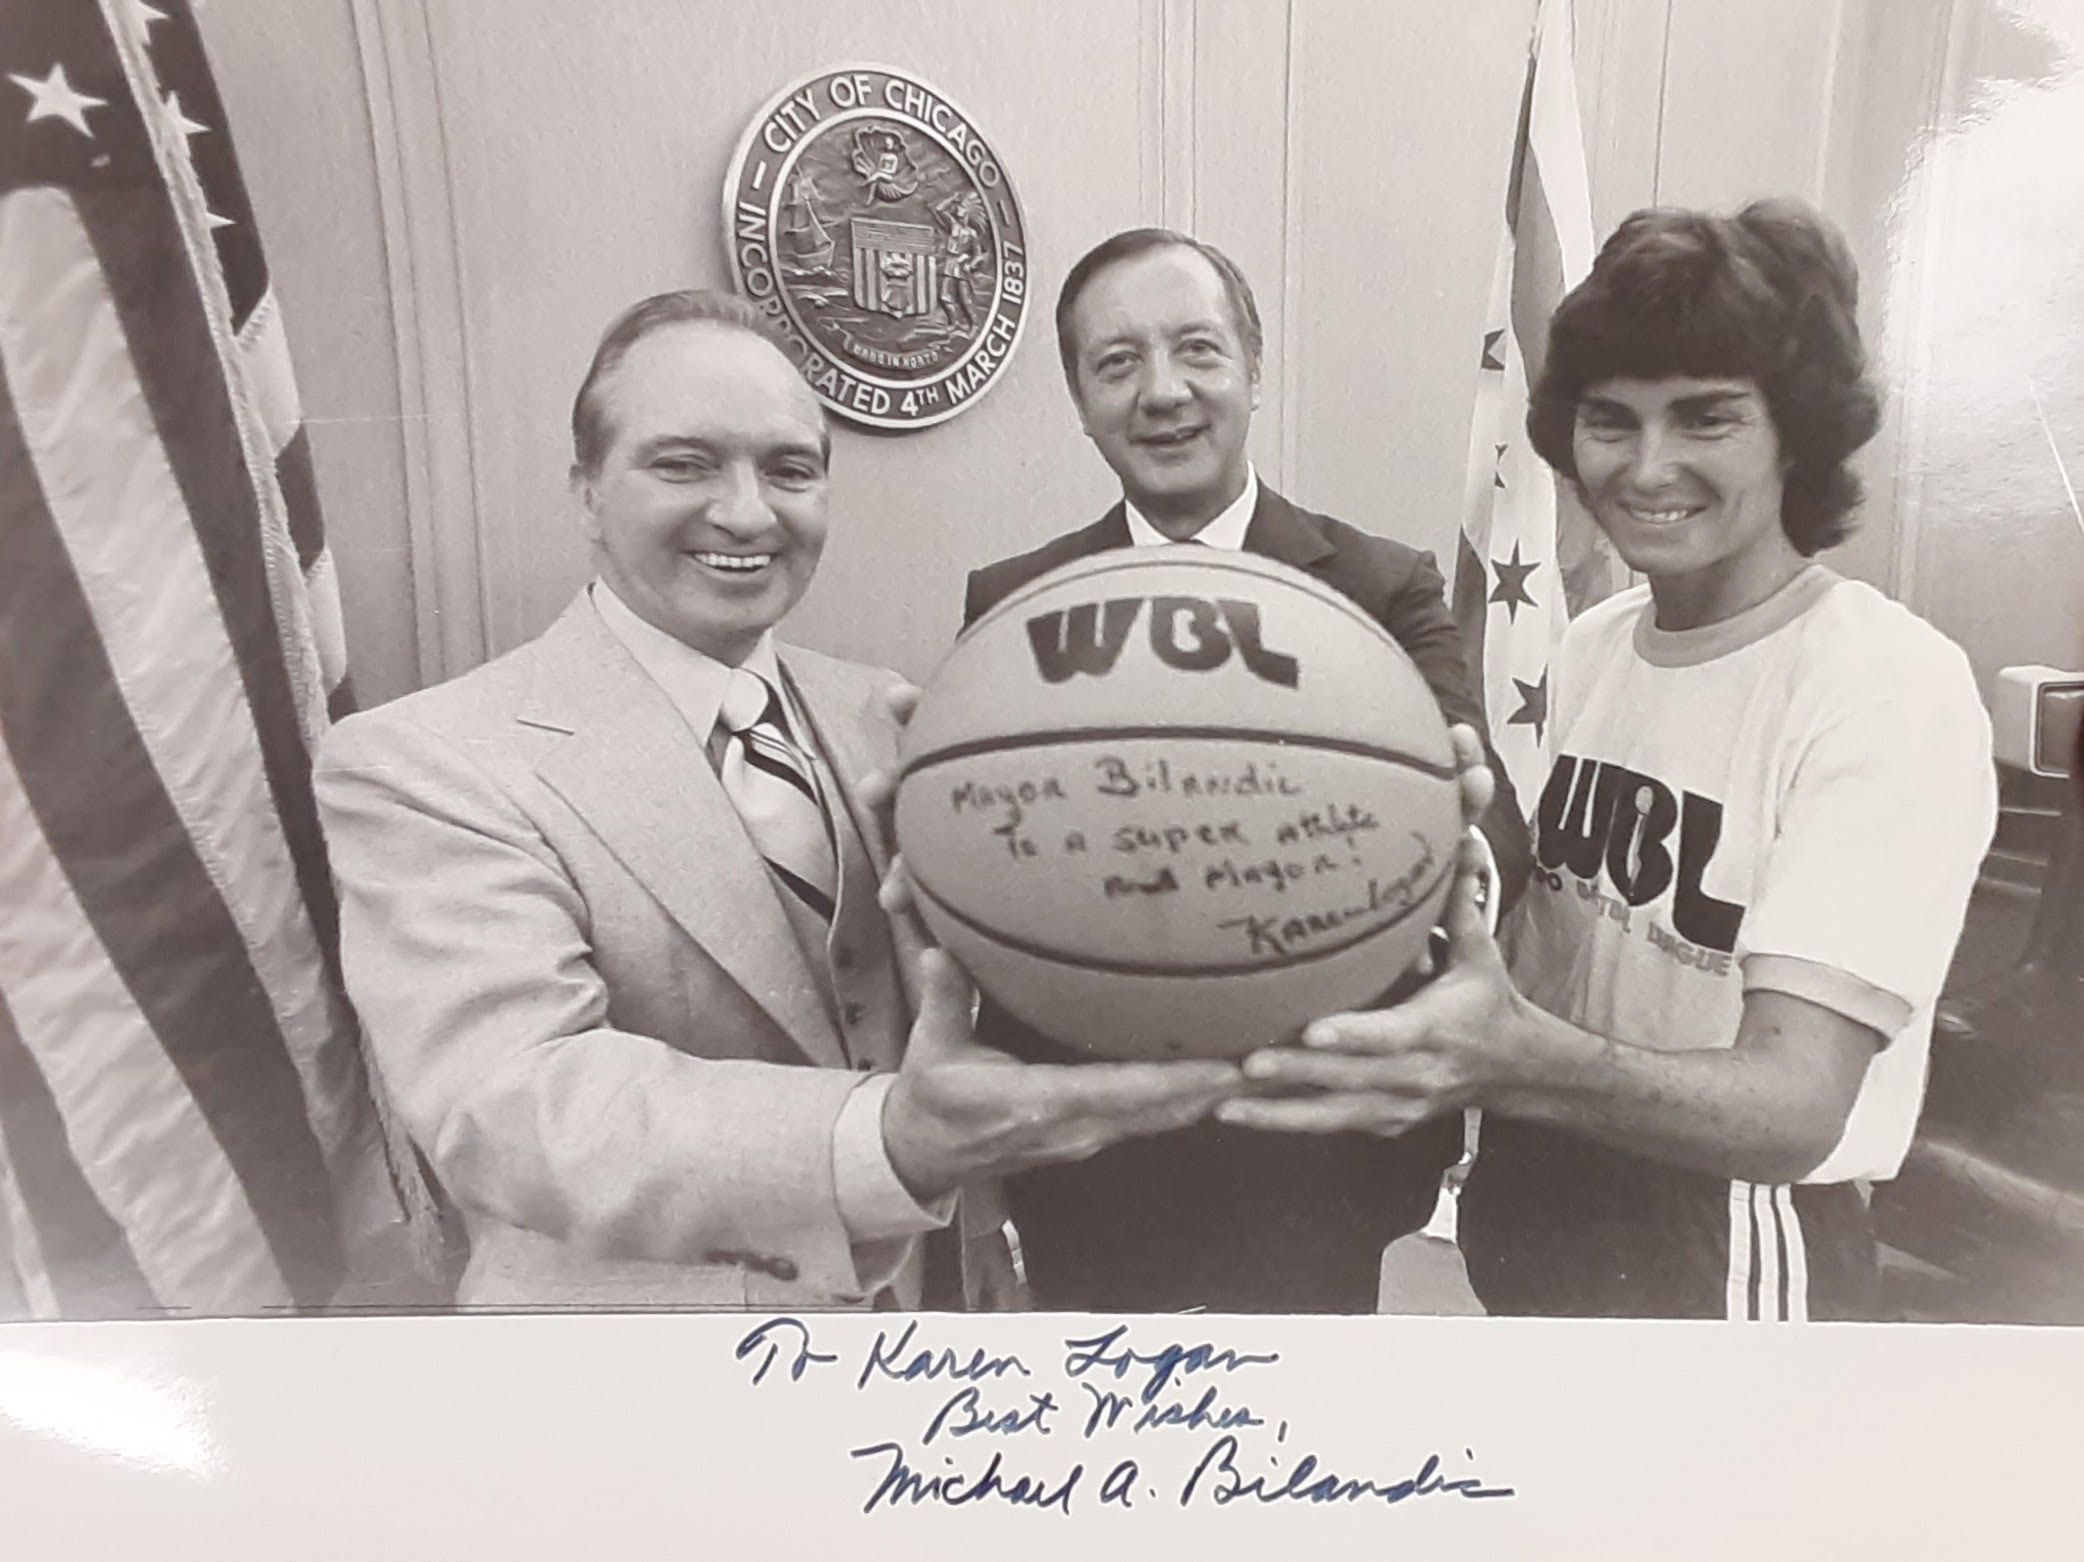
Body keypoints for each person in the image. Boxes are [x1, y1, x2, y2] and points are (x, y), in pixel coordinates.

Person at [315, 290, 1241, 1311]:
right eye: (684, 463)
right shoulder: (422, 761)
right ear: (585, 491)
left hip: (936, 1349)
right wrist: (883, 1140)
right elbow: (519, 1108)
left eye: (789, 469)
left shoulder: (882, 713)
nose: (748, 512)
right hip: (640, 1395)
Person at [1225, 201, 1998, 1321]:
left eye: (1704, 418)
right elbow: (1566, 946)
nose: (1646, 467)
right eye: (1609, 420)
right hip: (1543, 1181)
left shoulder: (1882, 682)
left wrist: (1503, 1058)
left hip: (1727, 1230)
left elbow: (1792, 1107)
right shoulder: (1593, 642)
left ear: (1794, 430)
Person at [958, 229, 1533, 1312]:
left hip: (1312, 1166)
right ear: (1078, 399)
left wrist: (1448, 841)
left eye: (1196, 350)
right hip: (1088, 1162)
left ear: (1253, 371)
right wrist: (982, 1185)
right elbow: (981, 892)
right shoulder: (1012, 604)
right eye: (1115, 362)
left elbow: (1492, 834)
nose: (1161, 391)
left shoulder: (1379, 585)